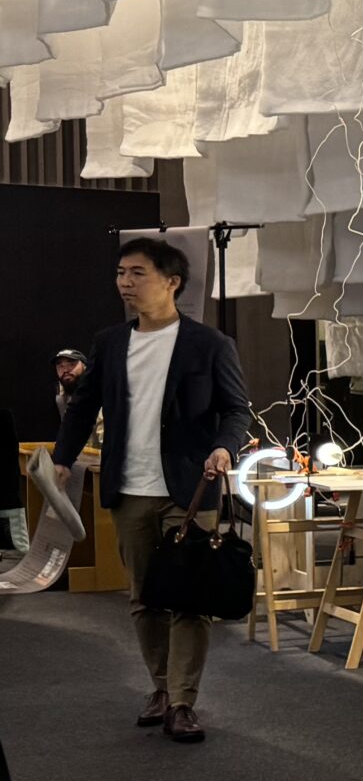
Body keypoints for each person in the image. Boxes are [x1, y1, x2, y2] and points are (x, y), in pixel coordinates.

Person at [52, 237, 252, 745]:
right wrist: (62, 457)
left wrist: (225, 446)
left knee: (191, 599)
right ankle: (160, 687)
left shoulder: (210, 344)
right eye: (121, 273)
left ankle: (183, 701)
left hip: (191, 488)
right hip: (130, 487)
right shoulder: (110, 342)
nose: (125, 282)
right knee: (145, 598)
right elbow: (83, 406)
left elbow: (236, 410)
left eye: (137, 273)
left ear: (172, 282)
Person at [52, 347, 88, 422]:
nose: (65, 370)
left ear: (84, 366)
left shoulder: (100, 391)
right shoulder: (60, 397)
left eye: (71, 364)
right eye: (61, 366)